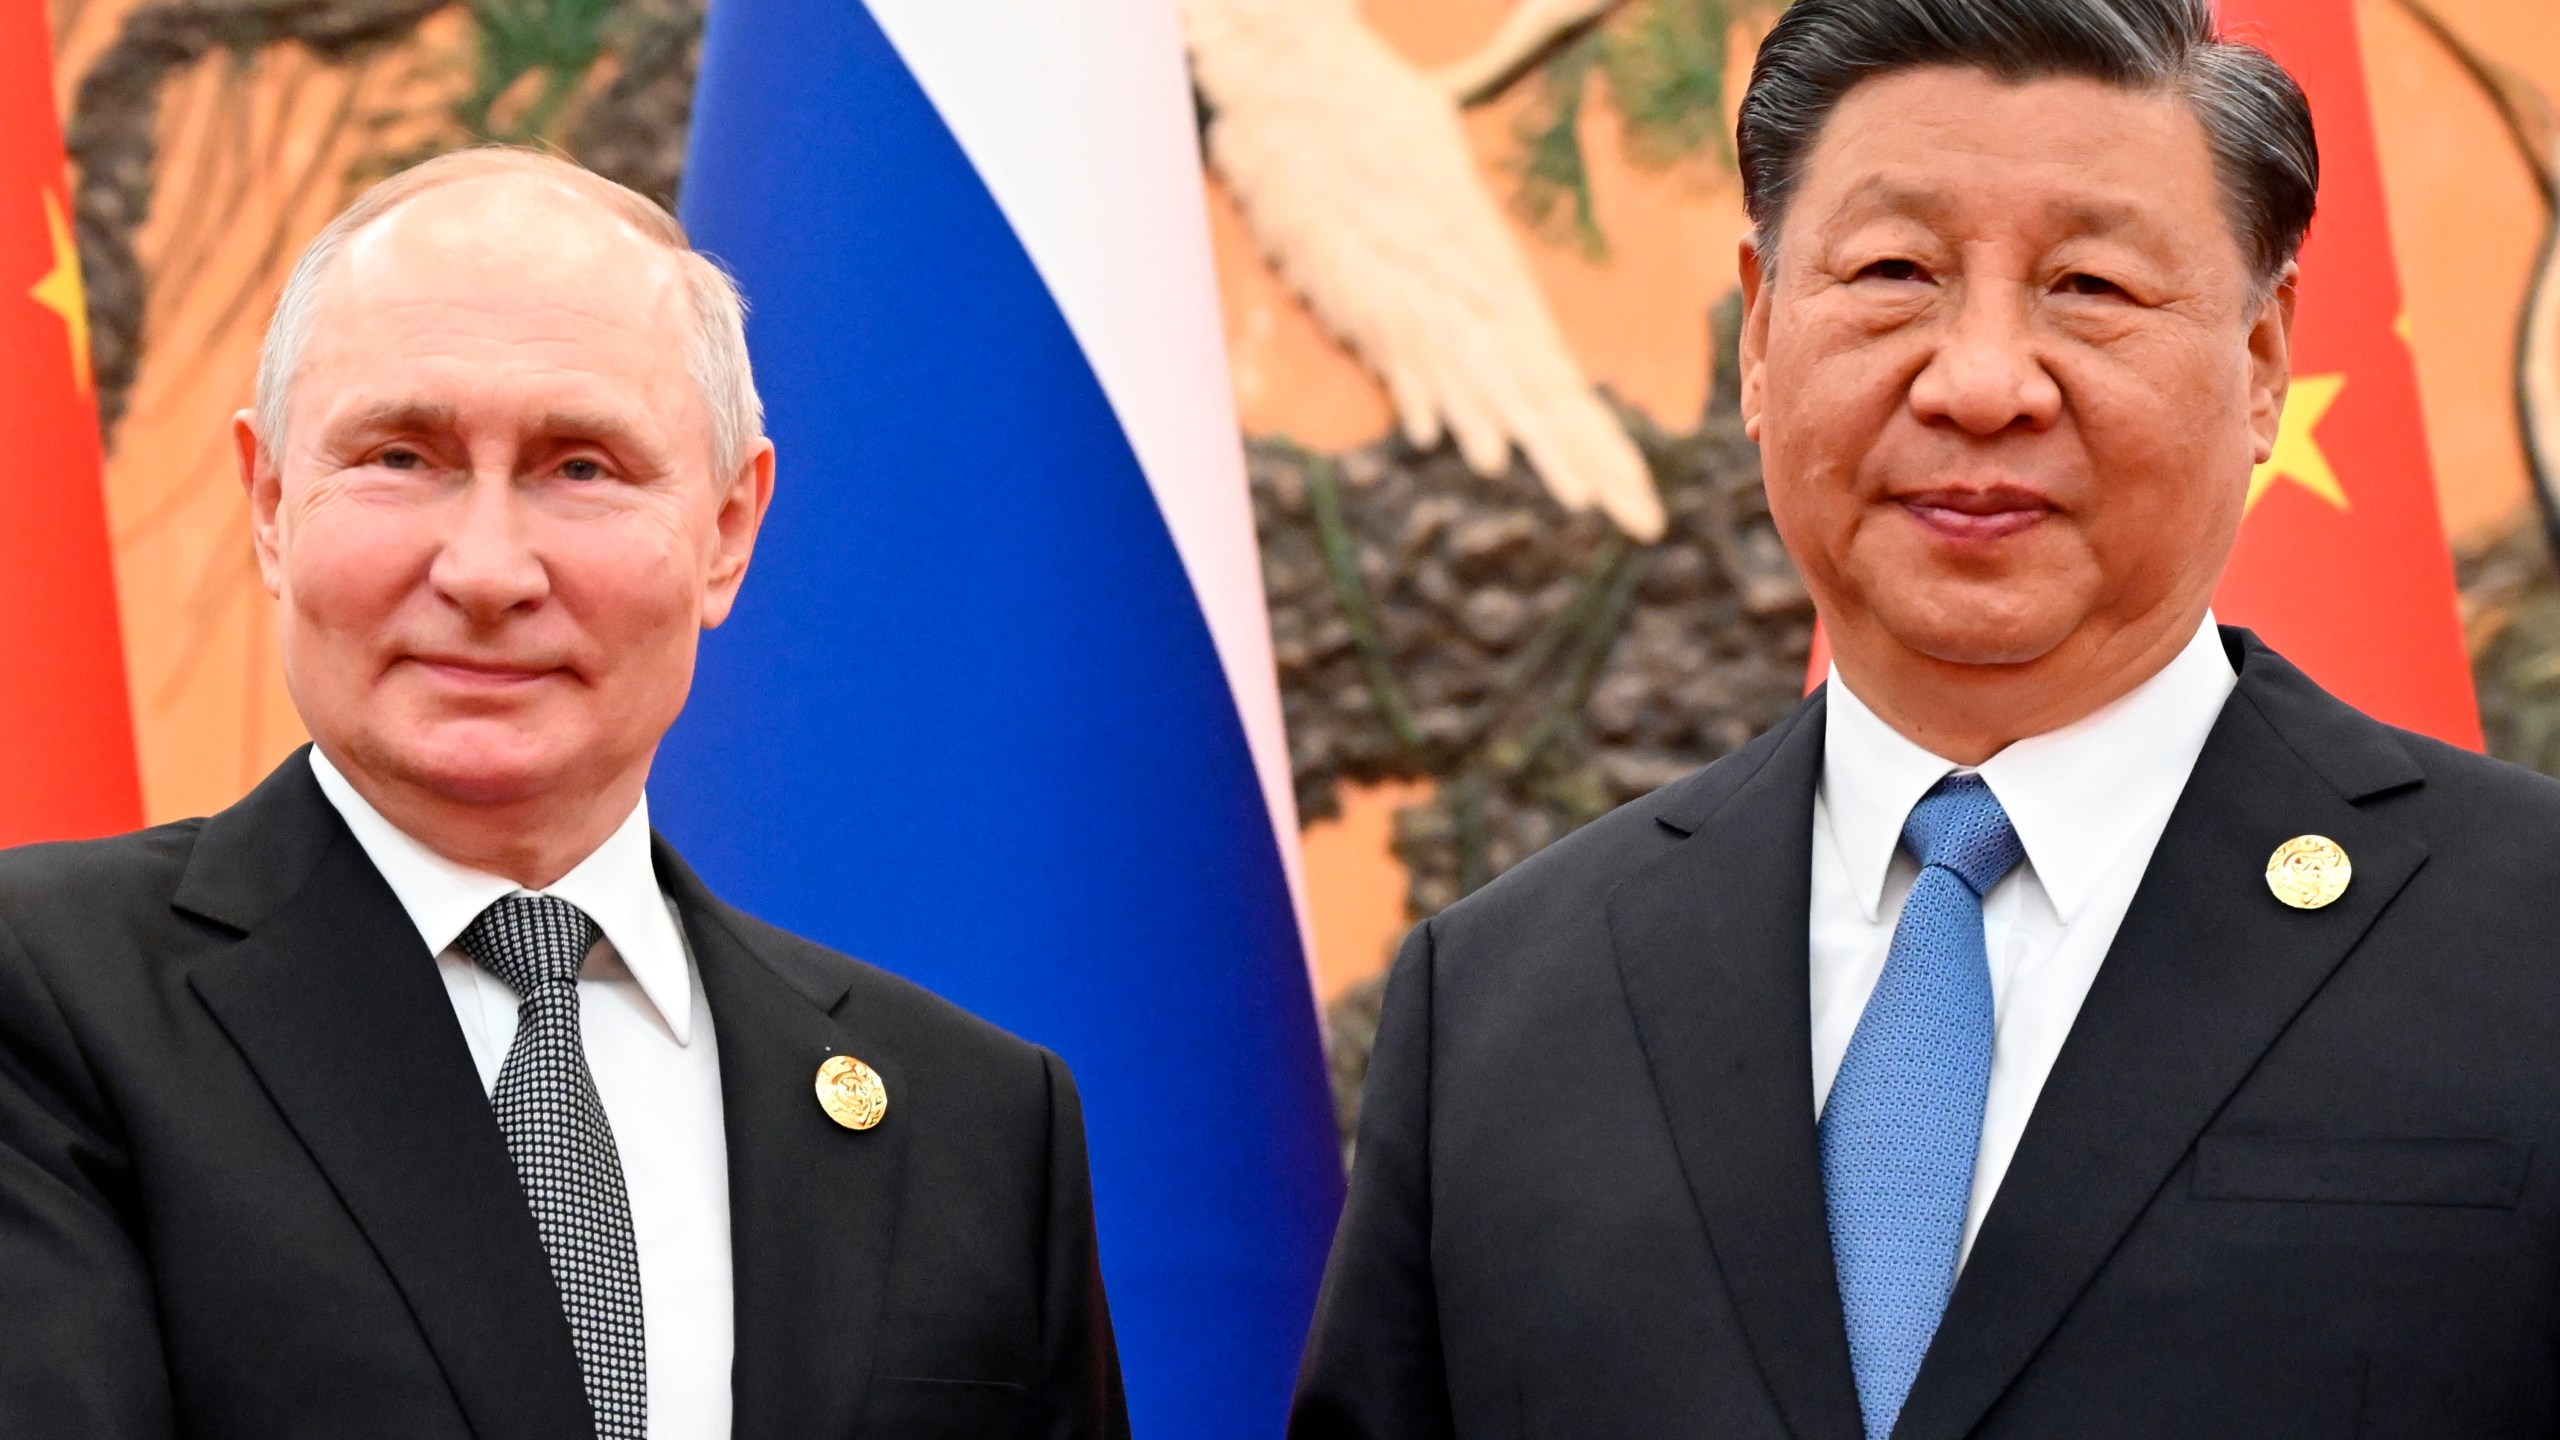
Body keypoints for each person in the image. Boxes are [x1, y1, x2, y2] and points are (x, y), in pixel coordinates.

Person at [1292, 1, 2560, 1437]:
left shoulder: (2527, 936)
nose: (1981, 383)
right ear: (1763, 332)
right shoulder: (1508, 998)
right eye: (1895, 272)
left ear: (2263, 360)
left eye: (2089, 286)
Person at [0, 148, 1126, 1439]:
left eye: (580, 466)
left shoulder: (975, 1125)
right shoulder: (45, 1003)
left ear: (727, 529)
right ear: (269, 503)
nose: (485, 569)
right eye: (400, 455)